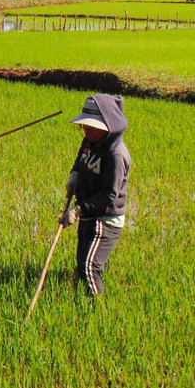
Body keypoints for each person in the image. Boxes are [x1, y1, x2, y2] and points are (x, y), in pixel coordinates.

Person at [59, 95, 131, 296]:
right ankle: (85, 296)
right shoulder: (90, 139)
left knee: (88, 267)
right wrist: (75, 174)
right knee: (85, 261)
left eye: (90, 127)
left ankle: (95, 311)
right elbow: (81, 157)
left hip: (105, 219)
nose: (85, 130)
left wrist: (78, 210)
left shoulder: (116, 155)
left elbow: (109, 195)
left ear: (108, 126)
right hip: (89, 213)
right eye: (84, 126)